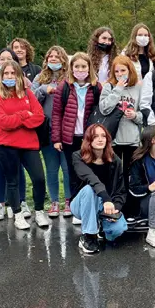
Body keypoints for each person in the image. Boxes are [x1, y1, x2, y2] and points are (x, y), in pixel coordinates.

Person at [0, 60, 48, 230]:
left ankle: (39, 211)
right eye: (6, 73)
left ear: (19, 76)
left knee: (39, 178)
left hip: (29, 143)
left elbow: (39, 117)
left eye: (13, 73)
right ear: (1, 76)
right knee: (12, 181)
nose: (10, 76)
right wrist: (23, 115)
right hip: (6, 144)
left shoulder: (28, 93)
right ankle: (17, 214)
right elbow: (3, 122)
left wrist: (19, 121)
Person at [51, 52, 102, 207]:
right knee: (73, 172)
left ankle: (91, 204)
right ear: (71, 68)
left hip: (89, 138)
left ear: (89, 68)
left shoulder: (96, 87)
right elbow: (57, 113)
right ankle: (75, 205)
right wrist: (57, 139)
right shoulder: (64, 87)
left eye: (83, 66)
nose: (80, 70)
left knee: (91, 171)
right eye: (77, 66)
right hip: (70, 138)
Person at [0, 47, 30, 220]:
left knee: (18, 169)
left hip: (19, 134)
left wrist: (18, 118)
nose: (5, 62)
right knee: (0, 169)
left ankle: (20, 201)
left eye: (9, 58)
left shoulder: (24, 83)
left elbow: (30, 108)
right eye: (2, 59)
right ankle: (1, 203)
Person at [70, 124, 128, 254]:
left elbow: (121, 190)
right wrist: (106, 199)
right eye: (95, 136)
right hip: (81, 204)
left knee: (117, 230)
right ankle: (88, 236)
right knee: (89, 189)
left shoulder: (115, 161)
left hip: (105, 205)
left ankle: (101, 226)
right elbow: (91, 179)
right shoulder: (78, 156)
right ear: (88, 139)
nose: (100, 139)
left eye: (103, 136)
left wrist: (115, 208)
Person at [34, 46, 72, 218]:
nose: (54, 59)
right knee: (51, 168)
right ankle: (54, 201)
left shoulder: (70, 78)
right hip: (47, 130)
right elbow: (31, 99)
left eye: (57, 56)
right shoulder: (40, 78)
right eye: (51, 56)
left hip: (66, 130)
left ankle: (69, 200)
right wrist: (43, 90)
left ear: (63, 59)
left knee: (67, 168)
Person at [99, 55, 144, 177]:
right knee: (114, 174)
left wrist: (135, 115)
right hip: (113, 139)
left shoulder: (138, 88)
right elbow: (104, 109)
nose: (120, 74)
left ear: (130, 70)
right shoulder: (109, 86)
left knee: (130, 175)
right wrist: (118, 89)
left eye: (123, 70)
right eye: (117, 71)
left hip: (132, 140)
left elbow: (144, 115)